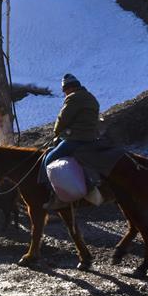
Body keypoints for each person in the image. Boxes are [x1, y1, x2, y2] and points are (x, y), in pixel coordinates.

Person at [43, 74, 100, 210]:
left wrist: (57, 133)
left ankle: (57, 197)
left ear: (69, 88)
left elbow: (62, 119)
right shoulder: (91, 97)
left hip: (77, 138)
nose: (64, 93)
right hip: (91, 137)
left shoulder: (73, 98)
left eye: (64, 90)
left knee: (49, 159)